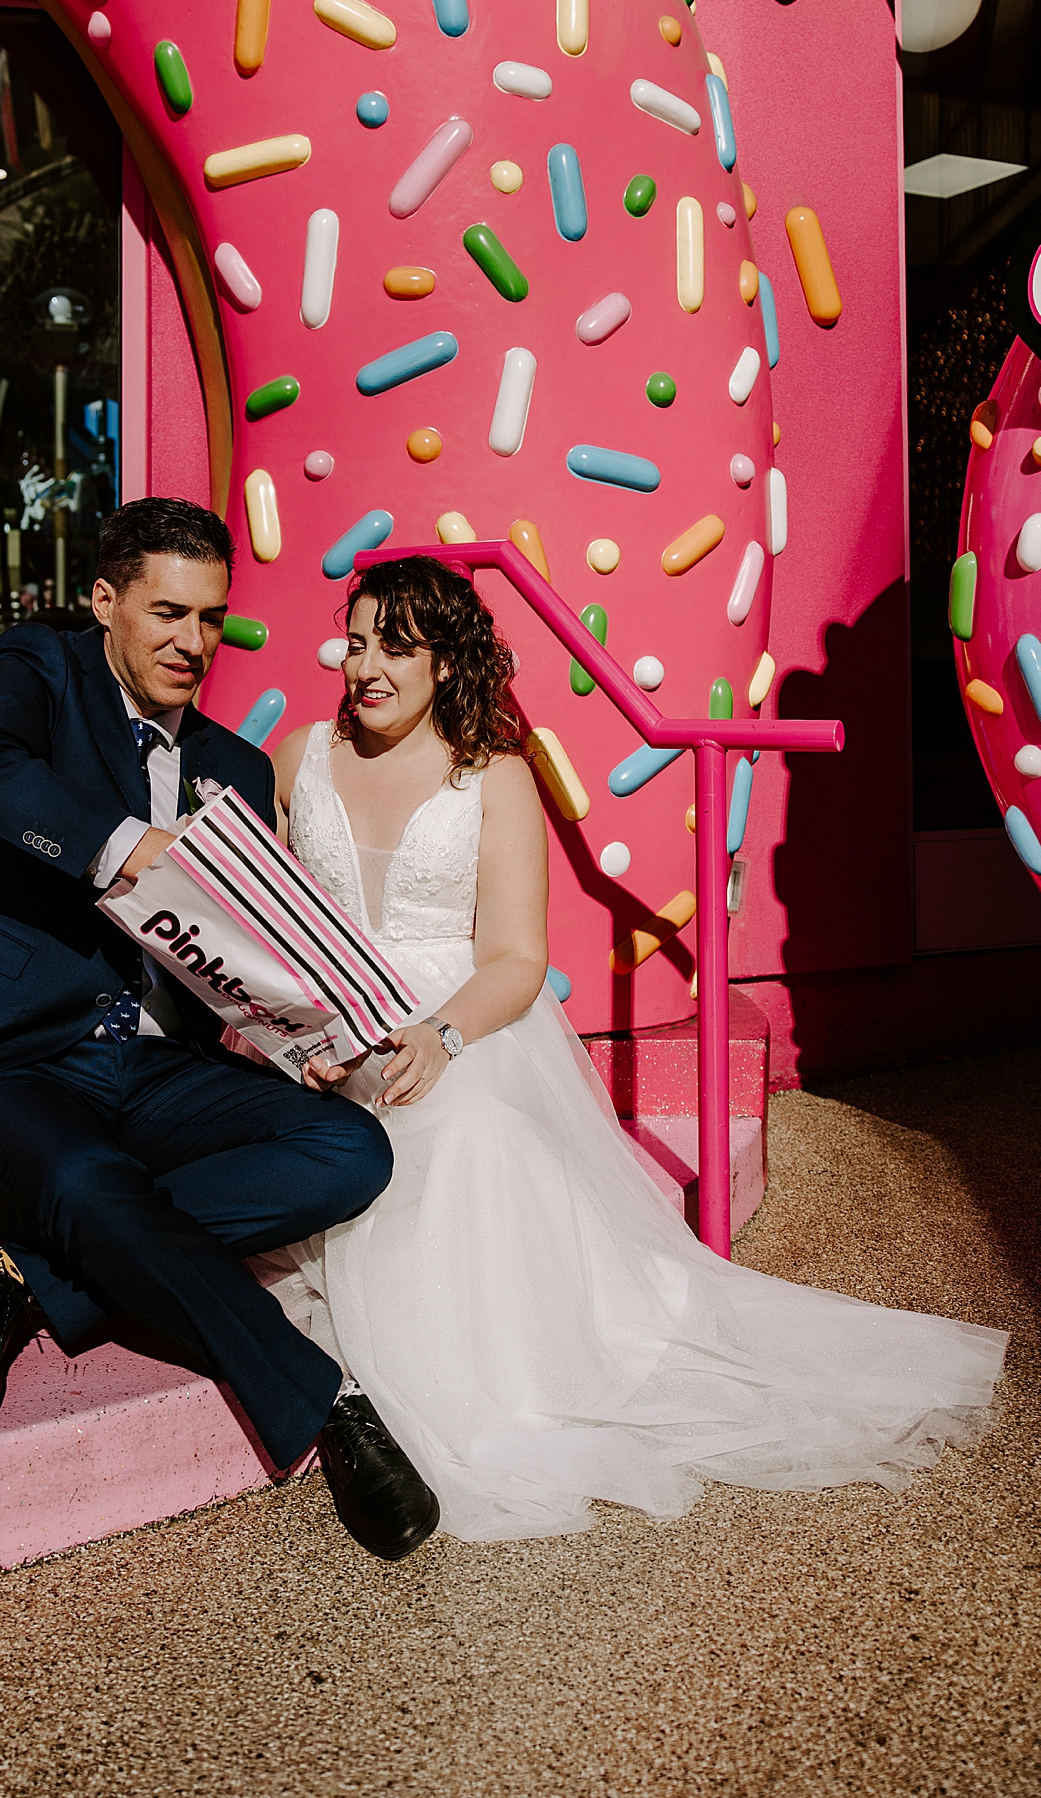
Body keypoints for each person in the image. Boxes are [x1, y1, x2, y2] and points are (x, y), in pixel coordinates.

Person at [267, 555, 1008, 1542]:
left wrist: (440, 1039)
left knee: (467, 1128)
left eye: (394, 646)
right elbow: (260, 921)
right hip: (318, 1024)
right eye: (355, 641)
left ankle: (479, 1386)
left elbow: (517, 958)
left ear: (445, 661)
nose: (365, 665)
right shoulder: (296, 754)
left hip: (457, 1020)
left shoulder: (494, 777)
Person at [0, 500, 440, 1562]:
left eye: (212, 618)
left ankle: (18, 1281)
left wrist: (309, 1037)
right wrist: (123, 845)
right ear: (105, 603)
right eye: (167, 613)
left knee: (349, 1149)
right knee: (86, 1179)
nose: (191, 642)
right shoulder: (42, 669)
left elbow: (242, 961)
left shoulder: (237, 766)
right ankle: (324, 1403)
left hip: (152, 1068)